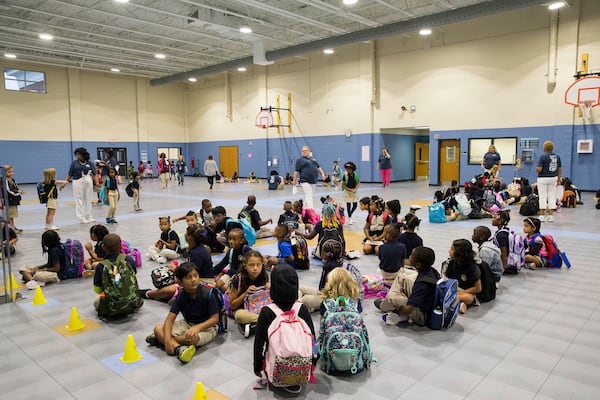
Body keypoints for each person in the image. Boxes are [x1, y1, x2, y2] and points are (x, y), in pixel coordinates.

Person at [253, 264, 317, 394]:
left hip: (276, 370)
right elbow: (313, 339)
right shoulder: (301, 309)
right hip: (304, 367)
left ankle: (277, 376)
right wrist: (314, 361)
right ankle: (299, 374)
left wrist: (257, 366)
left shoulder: (267, 312)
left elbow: (259, 344)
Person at [146, 262, 220, 363]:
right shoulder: (181, 296)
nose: (193, 280)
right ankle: (178, 348)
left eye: (195, 275)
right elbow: (169, 320)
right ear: (180, 282)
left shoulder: (208, 294)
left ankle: (161, 339)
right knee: (158, 328)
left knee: (192, 339)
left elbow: (215, 319)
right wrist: (168, 342)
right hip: (187, 323)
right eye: (188, 277)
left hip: (207, 328)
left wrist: (197, 328)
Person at [374, 246, 438, 326]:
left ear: (418, 265)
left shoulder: (422, 284)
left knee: (392, 298)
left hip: (421, 313)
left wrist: (397, 310)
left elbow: (408, 309)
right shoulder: (431, 270)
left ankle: (385, 305)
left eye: (411, 255)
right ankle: (391, 299)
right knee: (401, 277)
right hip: (423, 301)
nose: (409, 256)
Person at [228, 250, 270, 337]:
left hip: (260, 308)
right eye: (251, 265)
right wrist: (246, 293)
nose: (255, 268)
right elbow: (232, 305)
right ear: (245, 266)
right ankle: (270, 321)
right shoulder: (238, 280)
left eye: (258, 265)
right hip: (243, 309)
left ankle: (256, 325)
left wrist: (270, 288)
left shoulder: (264, 276)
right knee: (240, 316)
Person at [92, 233, 137, 310]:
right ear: (121, 246)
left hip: (113, 306)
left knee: (96, 302)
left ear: (103, 247)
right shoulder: (129, 259)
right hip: (132, 301)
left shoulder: (101, 266)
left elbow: (97, 289)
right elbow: (134, 275)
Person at [443, 239, 482, 314]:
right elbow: (445, 279)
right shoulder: (449, 263)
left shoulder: (472, 268)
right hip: (452, 289)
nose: (449, 251)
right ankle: (458, 304)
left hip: (466, 291)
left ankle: (454, 303)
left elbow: (478, 288)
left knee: (468, 297)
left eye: (452, 249)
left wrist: (461, 292)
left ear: (460, 253)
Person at [61, 147, 99, 224]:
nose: (77, 156)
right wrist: (64, 184)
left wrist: (97, 183)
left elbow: (95, 174)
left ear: (83, 155)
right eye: (76, 155)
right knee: (79, 199)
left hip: (88, 181)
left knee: (88, 199)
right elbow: (69, 174)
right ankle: (80, 217)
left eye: (79, 154)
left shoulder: (89, 163)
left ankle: (88, 216)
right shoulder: (74, 163)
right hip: (77, 182)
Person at [536, 140, 562, 222]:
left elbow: (539, 169)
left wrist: (536, 169)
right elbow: (559, 169)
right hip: (553, 178)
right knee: (552, 196)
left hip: (543, 178)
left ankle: (542, 215)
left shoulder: (542, 157)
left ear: (544, 148)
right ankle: (551, 216)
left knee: (543, 197)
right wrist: (558, 180)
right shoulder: (557, 157)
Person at [4, 165, 25, 233]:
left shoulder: (12, 179)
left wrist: (19, 190)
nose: (11, 173)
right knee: (10, 215)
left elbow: (15, 188)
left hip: (14, 200)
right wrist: (17, 193)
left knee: (12, 215)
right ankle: (11, 229)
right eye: (9, 172)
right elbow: (8, 190)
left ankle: (12, 226)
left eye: (12, 172)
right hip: (9, 201)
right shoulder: (5, 180)